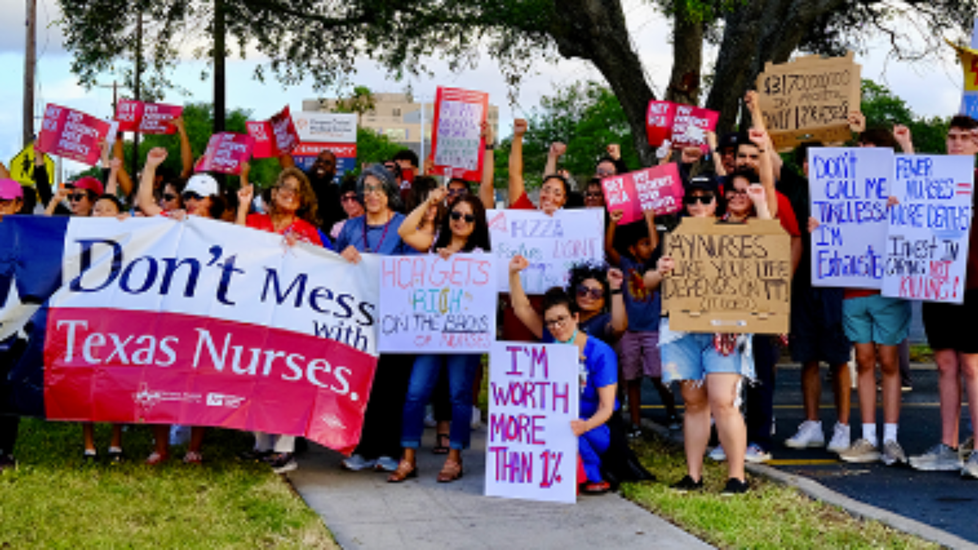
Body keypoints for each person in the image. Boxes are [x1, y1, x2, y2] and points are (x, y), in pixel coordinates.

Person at [653, 175, 773, 496]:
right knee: (693, 403)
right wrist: (659, 270)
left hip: (724, 330)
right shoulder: (673, 237)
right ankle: (693, 476)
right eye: (691, 199)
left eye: (705, 198)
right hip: (681, 330)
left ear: (716, 202)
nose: (698, 205)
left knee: (723, 401)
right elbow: (647, 282)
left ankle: (737, 477)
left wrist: (761, 203)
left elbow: (769, 245)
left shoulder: (733, 232)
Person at [388, 191, 492, 483]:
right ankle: (408, 458)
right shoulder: (433, 245)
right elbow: (405, 231)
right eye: (456, 214)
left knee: (459, 395)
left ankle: (454, 457)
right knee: (415, 393)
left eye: (468, 217)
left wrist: (457, 264)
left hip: (464, 336)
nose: (460, 221)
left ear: (477, 224)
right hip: (430, 334)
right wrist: (429, 204)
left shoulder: (481, 259)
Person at [827, 127, 912, 466]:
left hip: (887, 287)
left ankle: (891, 438)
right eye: (861, 147)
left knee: (889, 361)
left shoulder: (897, 185)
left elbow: (924, 192)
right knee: (863, 360)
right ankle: (869, 437)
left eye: (872, 148)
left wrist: (907, 148)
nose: (864, 152)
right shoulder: (843, 188)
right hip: (852, 287)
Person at [138, 147, 225, 464]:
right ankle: (160, 447)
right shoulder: (173, 221)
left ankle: (193, 449)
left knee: (200, 379)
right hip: (169, 313)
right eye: (188, 196)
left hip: (206, 314)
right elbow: (145, 204)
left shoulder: (226, 231)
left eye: (199, 198)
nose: (191, 202)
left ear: (213, 201)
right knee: (160, 376)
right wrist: (150, 166)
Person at [508, 258, 620, 494]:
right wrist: (513, 274)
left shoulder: (600, 352)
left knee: (567, 432)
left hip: (595, 426)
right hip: (559, 419)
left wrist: (585, 425)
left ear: (575, 317)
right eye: (550, 322)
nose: (557, 327)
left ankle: (593, 474)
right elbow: (522, 309)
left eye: (562, 319)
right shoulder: (551, 340)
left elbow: (606, 407)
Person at [336, 164, 417, 473]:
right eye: (367, 188)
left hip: (394, 320)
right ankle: (362, 447)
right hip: (358, 320)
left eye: (378, 188)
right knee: (361, 385)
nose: (372, 195)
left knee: (390, 386)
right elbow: (333, 265)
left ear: (390, 193)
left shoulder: (402, 226)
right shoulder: (350, 228)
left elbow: (414, 269)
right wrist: (341, 258)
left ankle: (388, 449)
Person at [910, 115, 978, 477]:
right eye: (952, 137)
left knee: (972, 366)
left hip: (973, 287)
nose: (957, 143)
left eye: (965, 138)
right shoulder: (933, 183)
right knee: (946, 366)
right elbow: (913, 193)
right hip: (937, 284)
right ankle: (948, 445)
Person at [780, 142, 853, 454]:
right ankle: (812, 424)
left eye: (819, 161)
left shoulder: (848, 193)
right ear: (801, 167)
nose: (813, 166)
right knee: (807, 356)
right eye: (807, 162)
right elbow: (770, 158)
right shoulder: (795, 192)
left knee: (838, 358)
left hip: (835, 284)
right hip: (803, 285)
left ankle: (843, 427)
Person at [605, 209, 678, 437]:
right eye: (643, 244)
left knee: (658, 376)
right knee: (632, 378)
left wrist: (650, 221)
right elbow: (608, 248)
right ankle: (635, 423)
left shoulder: (656, 268)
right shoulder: (626, 265)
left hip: (653, 330)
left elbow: (658, 250)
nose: (648, 247)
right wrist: (613, 224)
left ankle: (672, 412)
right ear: (632, 248)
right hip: (630, 332)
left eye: (649, 244)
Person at [236, 164, 324, 247]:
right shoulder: (254, 221)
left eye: (297, 191)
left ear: (301, 202)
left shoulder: (308, 231)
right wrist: (243, 207)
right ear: (274, 193)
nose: (291, 193)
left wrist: (298, 249)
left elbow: (315, 260)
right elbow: (237, 243)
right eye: (287, 187)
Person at [280, 149, 344, 234]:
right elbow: (288, 167)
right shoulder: (304, 181)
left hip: (323, 242)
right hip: (296, 236)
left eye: (327, 163)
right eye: (319, 160)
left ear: (334, 170)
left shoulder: (337, 193)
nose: (321, 164)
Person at [330, 175, 363, 241]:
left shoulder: (375, 225)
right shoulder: (338, 228)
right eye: (345, 199)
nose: (349, 203)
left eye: (354, 198)